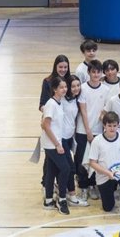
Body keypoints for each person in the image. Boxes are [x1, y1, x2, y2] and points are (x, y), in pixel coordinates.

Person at [89, 112, 120, 222]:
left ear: (118, 125)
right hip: (105, 176)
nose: (112, 128)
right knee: (108, 207)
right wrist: (108, 173)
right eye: (109, 126)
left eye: (114, 125)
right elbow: (92, 162)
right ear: (104, 126)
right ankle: (110, 192)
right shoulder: (97, 141)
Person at [75, 60, 110, 200]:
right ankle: (83, 186)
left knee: (95, 159)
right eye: (93, 72)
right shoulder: (83, 88)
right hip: (83, 130)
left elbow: (104, 110)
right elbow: (83, 111)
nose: (96, 74)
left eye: (98, 72)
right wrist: (88, 130)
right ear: (88, 73)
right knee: (81, 159)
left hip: (98, 130)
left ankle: (92, 185)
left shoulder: (106, 90)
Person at [41, 76, 70, 215]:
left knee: (51, 171)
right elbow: (45, 125)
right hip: (52, 144)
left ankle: (48, 200)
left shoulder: (59, 102)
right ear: (54, 89)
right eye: (61, 87)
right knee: (65, 169)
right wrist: (57, 144)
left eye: (65, 87)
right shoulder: (51, 104)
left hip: (54, 142)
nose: (64, 89)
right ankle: (62, 199)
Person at [63, 75, 89, 207]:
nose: (76, 88)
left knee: (67, 167)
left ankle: (63, 191)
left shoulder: (75, 100)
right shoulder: (62, 100)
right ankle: (71, 195)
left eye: (78, 85)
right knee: (70, 167)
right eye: (73, 86)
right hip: (61, 138)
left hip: (69, 138)